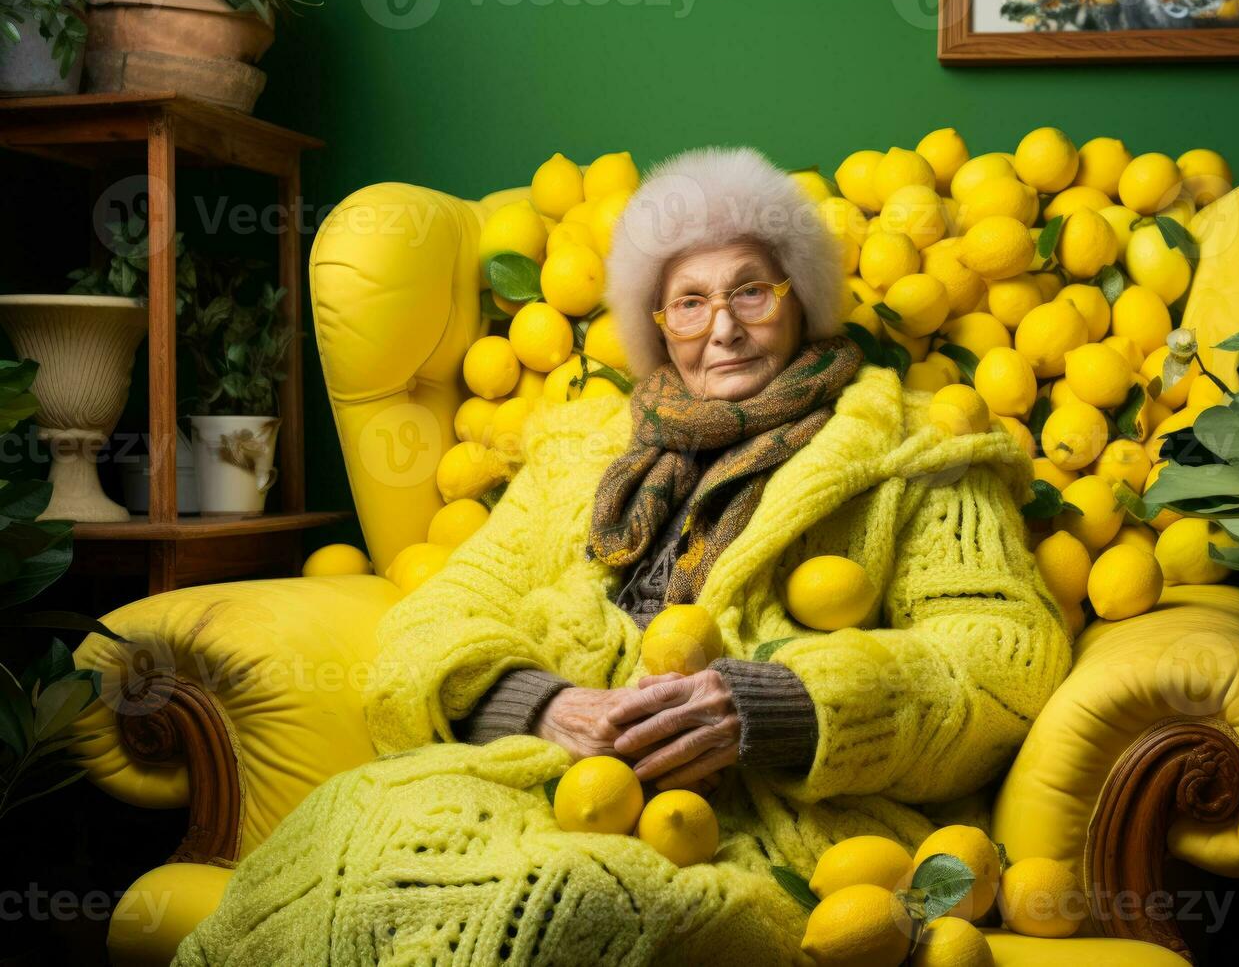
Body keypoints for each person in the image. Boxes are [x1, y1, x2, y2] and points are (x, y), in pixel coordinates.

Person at [173, 147, 1071, 965]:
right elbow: (439, 617)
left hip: (754, 825)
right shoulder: (578, 449)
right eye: (691, 301)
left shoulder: (914, 451)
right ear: (658, 324)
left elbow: (1003, 659)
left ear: (801, 296)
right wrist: (548, 705)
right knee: (349, 831)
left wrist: (778, 706)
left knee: (565, 908)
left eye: (751, 291)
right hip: (539, 779)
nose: (722, 328)